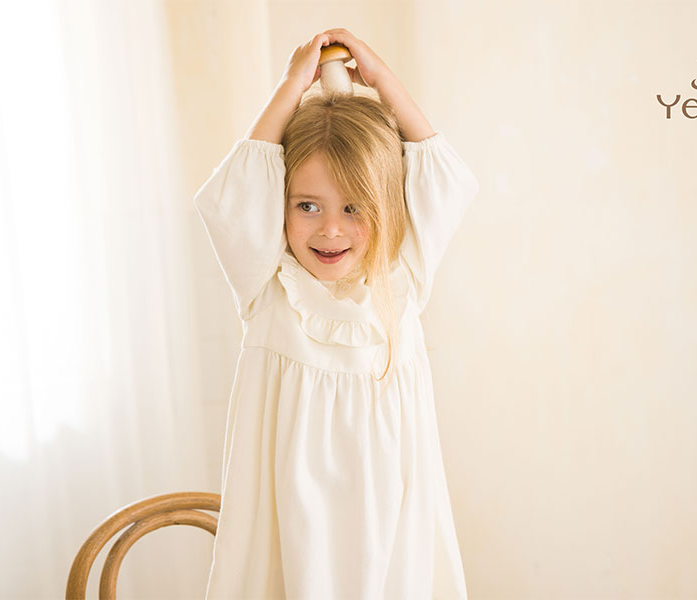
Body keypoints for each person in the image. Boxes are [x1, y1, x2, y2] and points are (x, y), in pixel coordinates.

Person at [193, 27, 479, 599]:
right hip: (289, 532)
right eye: (307, 205)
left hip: (392, 534)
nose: (330, 229)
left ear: (387, 206)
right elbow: (229, 198)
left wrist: (382, 80)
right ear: (279, 204)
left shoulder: (403, 278)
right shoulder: (268, 285)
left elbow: (447, 179)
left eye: (354, 207)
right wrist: (291, 87)